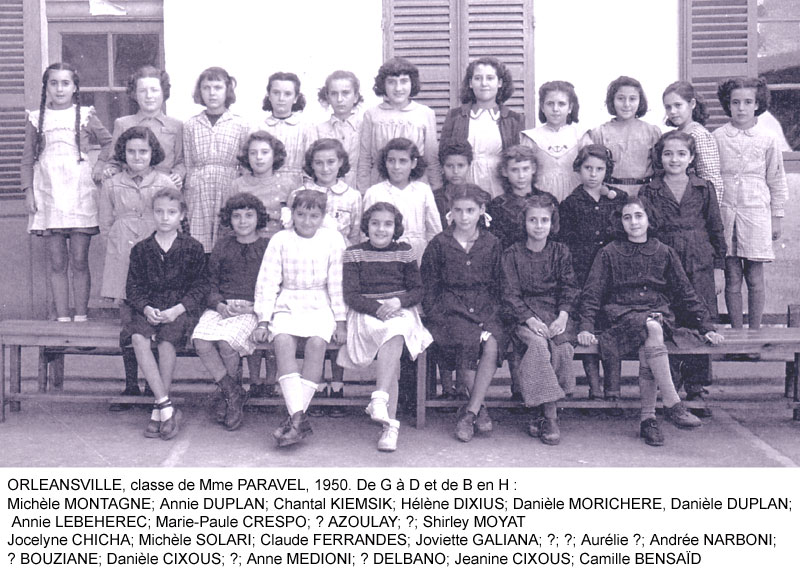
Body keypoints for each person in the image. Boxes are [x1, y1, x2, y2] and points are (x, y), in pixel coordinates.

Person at [577, 196, 724, 446]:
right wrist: (586, 327)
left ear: (649, 219)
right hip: (621, 317)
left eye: (639, 216)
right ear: (620, 222)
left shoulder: (664, 251)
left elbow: (686, 293)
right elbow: (592, 293)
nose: (633, 222)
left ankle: (649, 421)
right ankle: (672, 403)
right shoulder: (609, 252)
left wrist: (706, 327)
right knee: (652, 328)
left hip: (656, 314)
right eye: (627, 217)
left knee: (651, 334)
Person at [639, 131, 726, 415]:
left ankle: (696, 388)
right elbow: (646, 231)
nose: (674, 159)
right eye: (668, 154)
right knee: (670, 320)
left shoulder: (703, 188)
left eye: (681, 154)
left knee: (700, 318)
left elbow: (716, 229)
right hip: (664, 260)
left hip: (699, 261)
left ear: (691, 158)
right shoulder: (650, 190)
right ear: (660, 157)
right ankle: (671, 389)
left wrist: (719, 268)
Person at [251, 190, 347, 447]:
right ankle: (298, 419)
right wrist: (263, 319)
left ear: (323, 216)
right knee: (282, 340)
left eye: (314, 216)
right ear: (292, 213)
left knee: (317, 343)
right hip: (288, 302)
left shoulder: (333, 240)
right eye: (301, 214)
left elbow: (337, 283)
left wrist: (340, 321)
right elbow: (268, 281)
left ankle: (295, 419)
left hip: (320, 304)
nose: (306, 221)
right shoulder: (280, 239)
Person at [21, 62, 113, 322]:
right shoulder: (36, 118)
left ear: (74, 87)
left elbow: (110, 142)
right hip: (49, 192)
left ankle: (81, 317)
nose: (59, 89)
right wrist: (29, 192)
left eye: (65, 83)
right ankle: (63, 319)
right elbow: (26, 160)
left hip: (79, 191)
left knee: (79, 260)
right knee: (57, 262)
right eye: (54, 83)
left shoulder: (85, 115)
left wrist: (100, 165)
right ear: (46, 87)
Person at [338, 202, 433, 451]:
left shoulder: (404, 251)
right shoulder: (354, 253)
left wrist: (398, 301)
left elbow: (417, 290)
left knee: (397, 330)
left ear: (396, 227)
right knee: (393, 335)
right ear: (367, 226)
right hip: (366, 312)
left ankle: (382, 406)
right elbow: (351, 294)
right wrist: (376, 309)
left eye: (388, 224)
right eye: (375, 223)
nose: (381, 229)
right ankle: (388, 421)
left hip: (399, 309)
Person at [99, 127, 178, 411]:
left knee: (153, 322)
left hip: (153, 251)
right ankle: (130, 384)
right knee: (129, 324)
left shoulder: (165, 181)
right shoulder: (112, 184)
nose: (137, 157)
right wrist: (118, 244)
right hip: (122, 252)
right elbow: (105, 223)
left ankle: (153, 388)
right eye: (131, 151)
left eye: (143, 151)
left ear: (152, 153)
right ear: (123, 153)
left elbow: (174, 218)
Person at [421, 184, 505, 443]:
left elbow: (499, 285)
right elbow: (429, 288)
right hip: (451, 312)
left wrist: (492, 313)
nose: (464, 216)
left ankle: (470, 412)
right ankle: (479, 409)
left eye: (470, 210)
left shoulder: (492, 243)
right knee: (465, 341)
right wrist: (438, 316)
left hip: (485, 309)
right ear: (451, 211)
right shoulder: (439, 244)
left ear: (481, 210)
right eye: (458, 210)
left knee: (492, 343)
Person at [123, 188, 209, 440]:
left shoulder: (193, 247)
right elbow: (133, 288)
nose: (165, 217)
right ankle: (165, 406)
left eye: (171, 212)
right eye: (159, 211)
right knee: (138, 337)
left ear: (182, 215)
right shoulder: (141, 249)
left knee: (166, 340)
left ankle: (158, 409)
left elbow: (200, 287)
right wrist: (145, 308)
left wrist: (178, 309)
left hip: (179, 309)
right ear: (152, 213)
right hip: (151, 307)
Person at [286, 137, 363, 414]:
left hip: (341, 266)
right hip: (310, 267)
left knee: (338, 326)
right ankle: (315, 387)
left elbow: (356, 234)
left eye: (331, 162)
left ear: (341, 162)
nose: (325, 167)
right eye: (318, 162)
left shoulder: (353, 196)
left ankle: (338, 386)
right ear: (311, 164)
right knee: (314, 330)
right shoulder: (300, 193)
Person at [502, 194, 578, 445]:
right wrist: (529, 320)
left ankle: (537, 410)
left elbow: (569, 288)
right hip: (521, 317)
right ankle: (550, 416)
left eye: (544, 220)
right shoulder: (512, 254)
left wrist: (563, 316)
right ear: (523, 222)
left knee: (563, 348)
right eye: (532, 220)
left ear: (552, 223)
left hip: (554, 314)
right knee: (537, 345)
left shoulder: (560, 252)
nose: (538, 225)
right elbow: (509, 294)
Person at [714, 77, 788, 330]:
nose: (741, 108)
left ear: (757, 104)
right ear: (728, 104)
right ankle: (737, 332)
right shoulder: (718, 137)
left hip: (756, 214)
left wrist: (776, 217)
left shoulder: (767, 138)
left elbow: (776, 179)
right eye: (736, 102)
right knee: (732, 277)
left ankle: (755, 332)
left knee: (755, 278)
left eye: (748, 102)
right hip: (726, 214)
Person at [191, 193, 269, 431]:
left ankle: (229, 396)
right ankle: (232, 391)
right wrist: (219, 305)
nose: (243, 221)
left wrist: (255, 307)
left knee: (226, 343)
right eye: (236, 216)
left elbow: (274, 283)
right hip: (223, 306)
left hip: (253, 310)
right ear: (229, 219)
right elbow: (210, 282)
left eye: (249, 215)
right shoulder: (223, 245)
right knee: (200, 340)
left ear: (258, 218)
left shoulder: (267, 246)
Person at [558, 144, 625, 401]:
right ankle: (593, 384)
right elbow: (565, 243)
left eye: (599, 169)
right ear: (578, 169)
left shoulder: (618, 199)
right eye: (588, 168)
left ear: (607, 171)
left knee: (610, 327)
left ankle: (612, 385)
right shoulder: (571, 203)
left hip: (613, 274)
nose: (593, 174)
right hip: (583, 272)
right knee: (587, 325)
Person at [183, 67, 249, 253]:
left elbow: (245, 165)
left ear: (227, 90)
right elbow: (188, 162)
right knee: (198, 239)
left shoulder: (240, 124)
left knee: (226, 236)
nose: (212, 93)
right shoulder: (191, 124)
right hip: (199, 187)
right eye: (206, 88)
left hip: (228, 183)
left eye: (218, 87)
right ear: (200, 91)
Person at [440, 56, 524, 198]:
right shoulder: (455, 116)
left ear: (500, 83)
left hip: (500, 186)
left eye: (490, 78)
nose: (484, 83)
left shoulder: (514, 119)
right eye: (478, 78)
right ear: (470, 83)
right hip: (464, 184)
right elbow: (443, 155)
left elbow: (518, 160)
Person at [357, 57, 441, 191]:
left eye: (404, 81)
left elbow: (431, 159)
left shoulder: (425, 113)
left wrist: (436, 189)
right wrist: (364, 191)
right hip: (380, 185)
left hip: (415, 185)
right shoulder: (372, 115)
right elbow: (365, 159)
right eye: (391, 82)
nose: (398, 88)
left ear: (412, 83)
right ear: (383, 84)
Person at [431, 140, 474, 399]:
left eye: (461, 165)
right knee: (443, 324)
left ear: (469, 166)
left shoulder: (478, 195)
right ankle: (445, 385)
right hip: (442, 260)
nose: (455, 171)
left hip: (469, 263)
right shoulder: (435, 196)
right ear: (442, 168)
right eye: (450, 166)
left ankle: (462, 386)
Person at [99, 65, 185, 189]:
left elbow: (180, 161)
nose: (149, 96)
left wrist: (178, 174)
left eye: (154, 90)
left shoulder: (176, 125)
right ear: (134, 94)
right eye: (142, 91)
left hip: (164, 189)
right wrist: (110, 170)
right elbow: (114, 161)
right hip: (131, 188)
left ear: (163, 92)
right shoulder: (123, 124)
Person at [362, 138, 442, 265]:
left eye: (403, 161)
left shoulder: (423, 191)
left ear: (413, 163)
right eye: (391, 161)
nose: (396, 167)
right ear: (385, 162)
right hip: (384, 254)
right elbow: (365, 233)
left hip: (419, 253)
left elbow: (434, 230)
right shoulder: (374, 192)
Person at [587, 76, 661, 196]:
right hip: (610, 194)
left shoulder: (652, 132)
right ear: (612, 100)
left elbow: (660, 168)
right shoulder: (600, 133)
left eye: (632, 99)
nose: (626, 104)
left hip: (644, 193)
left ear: (640, 101)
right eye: (620, 98)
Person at [520, 80, 585, 201]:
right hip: (541, 198)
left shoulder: (580, 136)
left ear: (570, 108)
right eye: (550, 104)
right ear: (542, 107)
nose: (555, 109)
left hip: (575, 197)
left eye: (561, 104)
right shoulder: (531, 137)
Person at [662, 81, 724, 204]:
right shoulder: (675, 135)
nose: (672, 111)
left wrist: (711, 210)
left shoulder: (699, 135)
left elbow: (712, 180)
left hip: (696, 205)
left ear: (692, 104)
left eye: (678, 105)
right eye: (668, 107)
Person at [487, 145, 557, 251]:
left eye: (525, 169)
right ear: (505, 171)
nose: (521, 176)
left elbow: (556, 235)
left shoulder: (548, 200)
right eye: (514, 170)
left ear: (533, 169)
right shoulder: (497, 206)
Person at [256, 72, 315, 197]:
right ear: (269, 96)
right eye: (276, 93)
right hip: (264, 188)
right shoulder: (259, 127)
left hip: (297, 189)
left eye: (287, 94)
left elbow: (311, 164)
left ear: (296, 98)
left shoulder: (306, 128)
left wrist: (306, 192)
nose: (281, 98)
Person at [231, 131, 288, 239]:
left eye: (265, 152)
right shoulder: (237, 185)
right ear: (247, 156)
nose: (259, 157)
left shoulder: (287, 185)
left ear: (275, 155)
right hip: (247, 244)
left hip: (278, 243)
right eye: (253, 153)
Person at [316, 70, 364, 189]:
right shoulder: (318, 130)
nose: (339, 99)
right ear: (327, 97)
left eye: (345, 93)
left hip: (359, 189)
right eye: (334, 94)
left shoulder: (365, 128)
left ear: (355, 97)